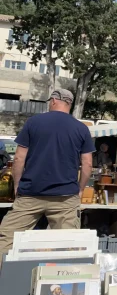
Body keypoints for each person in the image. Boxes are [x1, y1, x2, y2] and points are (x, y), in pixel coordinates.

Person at [0, 89, 95, 254]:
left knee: (7, 240)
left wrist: (17, 185)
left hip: (30, 193)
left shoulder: (33, 122)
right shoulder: (81, 128)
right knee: (68, 246)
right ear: (70, 104)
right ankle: (61, 278)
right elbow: (87, 164)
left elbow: (18, 159)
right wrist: (80, 190)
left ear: (53, 100)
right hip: (65, 197)